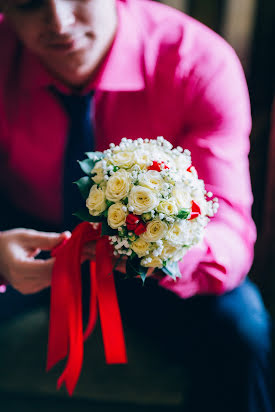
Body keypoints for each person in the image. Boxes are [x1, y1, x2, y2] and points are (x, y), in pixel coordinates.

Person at [0, 0, 272, 411]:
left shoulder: (198, 62)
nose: (59, 21)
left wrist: (169, 247)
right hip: (24, 236)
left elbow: (231, 232)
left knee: (243, 333)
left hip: (156, 259)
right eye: (28, 3)